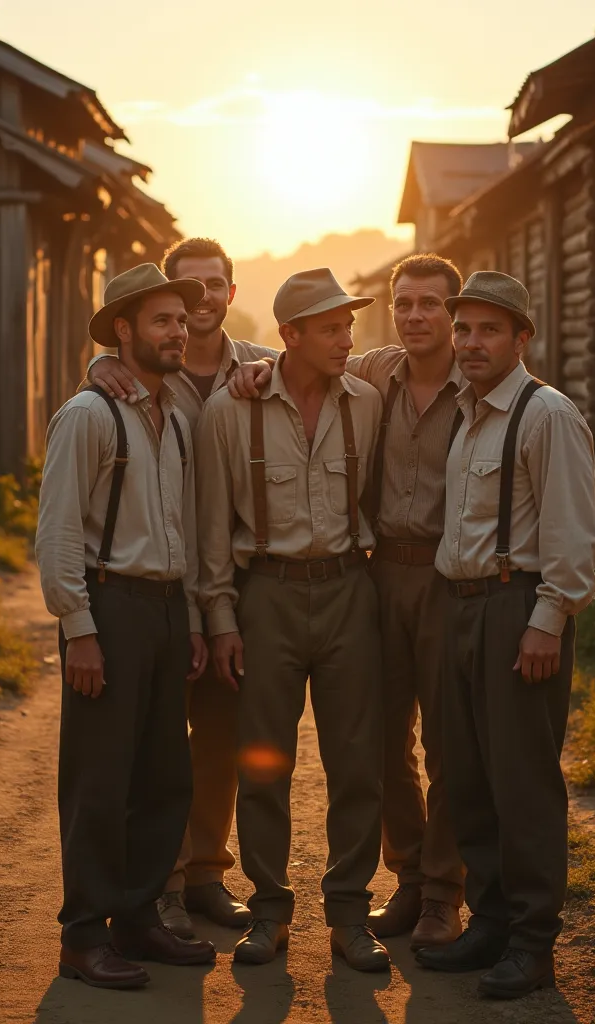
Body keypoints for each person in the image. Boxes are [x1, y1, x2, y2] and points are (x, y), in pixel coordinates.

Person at [227, 253, 467, 949]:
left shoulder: (467, 384)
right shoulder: (373, 374)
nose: (416, 315)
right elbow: (263, 356)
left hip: (426, 578)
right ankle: (389, 883)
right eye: (406, 303)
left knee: (422, 746)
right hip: (347, 577)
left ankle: (428, 898)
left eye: (432, 304)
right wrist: (258, 368)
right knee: (368, 747)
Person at [415, 271, 595, 1000]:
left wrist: (548, 619)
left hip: (516, 607)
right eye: (463, 329)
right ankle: (489, 921)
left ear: (523, 338)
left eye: (488, 329)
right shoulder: (468, 412)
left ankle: (532, 942)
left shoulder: (544, 413)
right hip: (459, 605)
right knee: (466, 774)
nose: (469, 342)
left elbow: (574, 532)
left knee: (522, 781)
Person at [196, 268, 390, 972]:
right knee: (263, 763)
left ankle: (349, 915)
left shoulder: (367, 402)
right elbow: (213, 528)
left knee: (356, 760)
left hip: (347, 589)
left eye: (349, 325)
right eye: (332, 327)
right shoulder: (229, 410)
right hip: (265, 595)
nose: (348, 338)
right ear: (290, 337)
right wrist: (221, 617)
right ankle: (269, 912)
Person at [84, 238, 279, 937]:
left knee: (221, 733)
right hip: (164, 579)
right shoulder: (134, 379)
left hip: (233, 582)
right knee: (159, 739)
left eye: (215, 285)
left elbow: (344, 370)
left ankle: (204, 876)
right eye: (187, 288)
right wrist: (99, 360)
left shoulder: (262, 367)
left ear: (228, 293)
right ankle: (157, 885)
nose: (202, 299)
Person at [36, 264, 216, 990]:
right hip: (108, 606)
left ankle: (138, 916)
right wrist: (79, 628)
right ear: (123, 330)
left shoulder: (173, 412)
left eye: (183, 320)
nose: (179, 332)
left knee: (165, 775)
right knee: (99, 780)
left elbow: (184, 529)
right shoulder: (88, 414)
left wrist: (196, 620)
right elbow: (56, 536)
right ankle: (82, 936)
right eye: (163, 321)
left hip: (168, 607)